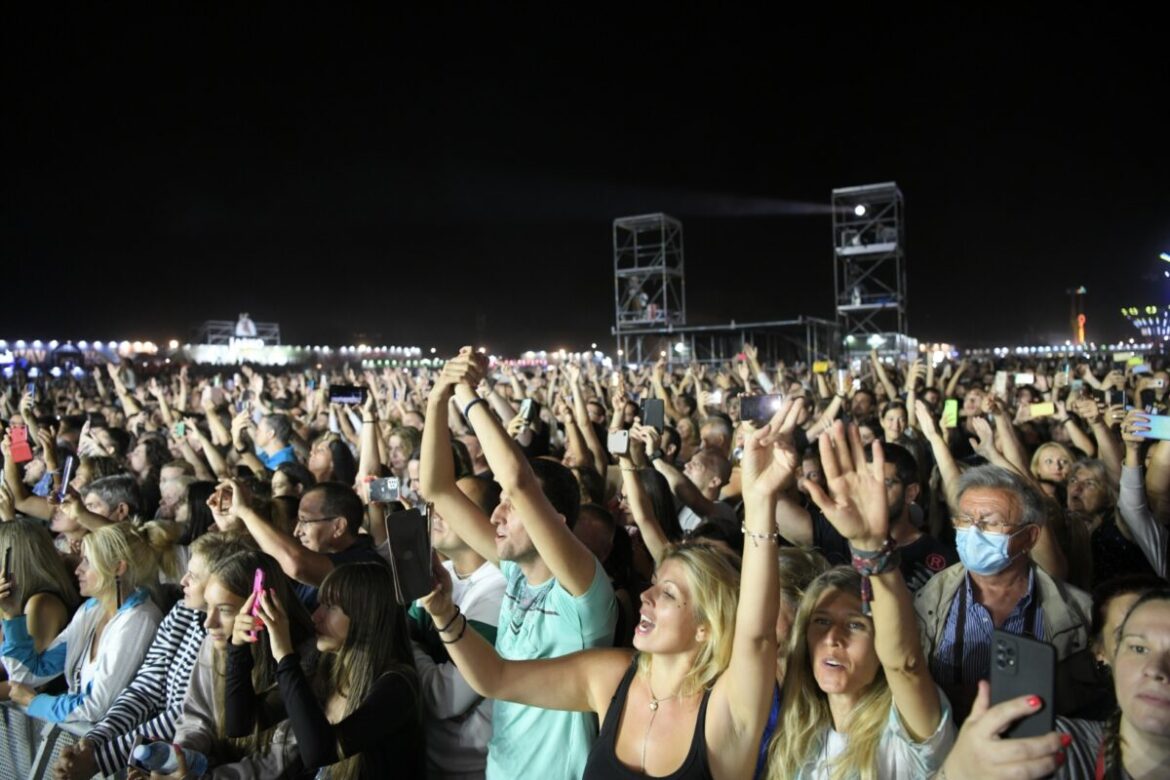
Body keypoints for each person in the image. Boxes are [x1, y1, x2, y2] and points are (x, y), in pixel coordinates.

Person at [421, 396, 802, 779]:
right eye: (653, 585)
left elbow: (756, 638)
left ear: (707, 625)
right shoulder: (613, 677)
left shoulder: (725, 712)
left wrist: (760, 502)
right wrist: (443, 613)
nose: (645, 597)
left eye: (668, 594)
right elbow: (495, 677)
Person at [420, 347, 617, 780]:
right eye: (500, 506)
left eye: (511, 508)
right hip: (501, 768)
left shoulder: (583, 598)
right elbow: (436, 488)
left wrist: (469, 396)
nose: (495, 515)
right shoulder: (513, 573)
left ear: (555, 523)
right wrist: (438, 398)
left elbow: (518, 479)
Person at [767, 422, 953, 778]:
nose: (832, 639)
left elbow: (906, 664)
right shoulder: (795, 731)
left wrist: (871, 547)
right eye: (820, 622)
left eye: (855, 625)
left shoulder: (906, 732)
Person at [54, 532, 251, 780]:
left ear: (218, 583)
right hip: (164, 757)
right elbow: (145, 690)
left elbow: (183, 714)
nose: (183, 581)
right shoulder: (182, 612)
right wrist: (92, 743)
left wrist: (99, 760)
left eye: (194, 575)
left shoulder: (224, 636)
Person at [914, 465, 1098, 723]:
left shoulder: (1079, 612)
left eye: (990, 522)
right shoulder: (927, 599)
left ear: (1029, 537)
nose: (974, 532)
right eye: (965, 520)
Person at [239, 562, 424, 779]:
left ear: (365, 616)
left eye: (331, 607)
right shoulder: (326, 667)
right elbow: (242, 722)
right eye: (321, 605)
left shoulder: (397, 686)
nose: (316, 616)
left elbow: (319, 752)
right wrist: (237, 647)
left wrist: (285, 657)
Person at [0, 523, 165, 724]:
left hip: (108, 744)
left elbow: (96, 707)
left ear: (118, 568)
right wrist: (11, 615)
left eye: (87, 562)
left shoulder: (140, 619)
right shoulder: (91, 609)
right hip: (77, 734)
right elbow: (28, 674)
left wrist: (34, 701)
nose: (77, 569)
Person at [169, 550, 313, 776]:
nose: (208, 622)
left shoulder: (305, 661)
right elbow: (197, 718)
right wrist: (181, 759)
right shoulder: (214, 644)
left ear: (260, 610)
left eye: (224, 610)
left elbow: (278, 761)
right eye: (208, 606)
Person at [409, 475, 507, 779]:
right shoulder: (442, 571)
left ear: (484, 521)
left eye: (454, 505)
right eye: (437, 505)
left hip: (466, 769)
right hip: (425, 755)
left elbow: (444, 697)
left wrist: (408, 649)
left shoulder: (500, 591)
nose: (436, 513)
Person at [776, 442, 955, 591]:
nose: (870, 494)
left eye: (884, 484)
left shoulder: (940, 559)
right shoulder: (839, 530)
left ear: (910, 493)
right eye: (865, 484)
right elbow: (773, 506)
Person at [224, 478, 386, 610]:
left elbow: (296, 565)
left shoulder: (365, 564)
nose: (296, 532)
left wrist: (245, 512)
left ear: (338, 527)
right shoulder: (319, 555)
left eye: (305, 521)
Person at [0, 519, 80, 657]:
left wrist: (9, 615)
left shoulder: (41, 604)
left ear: (11, 563)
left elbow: (24, 671)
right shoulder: (17, 599)